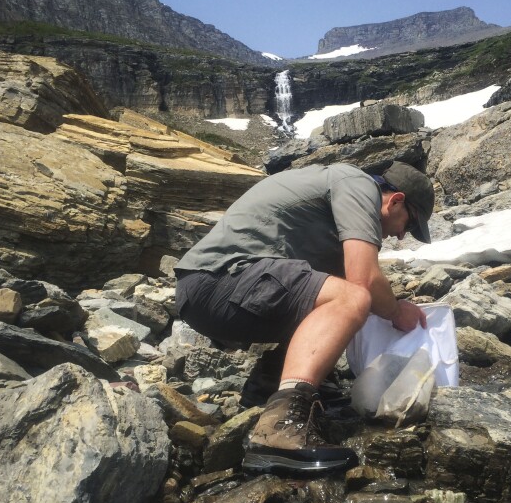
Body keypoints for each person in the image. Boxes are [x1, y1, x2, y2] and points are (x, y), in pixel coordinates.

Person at [174, 161, 434, 474]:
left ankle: (268, 388)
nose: (401, 236)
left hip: (211, 292)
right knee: (353, 296)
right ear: (396, 200)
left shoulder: (335, 204)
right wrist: (395, 311)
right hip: (217, 281)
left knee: (332, 288)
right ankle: (279, 427)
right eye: (408, 225)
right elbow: (363, 281)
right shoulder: (357, 183)